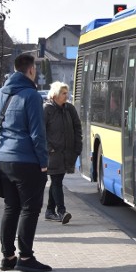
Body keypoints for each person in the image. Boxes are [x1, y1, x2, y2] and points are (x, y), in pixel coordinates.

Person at [0, 54, 51, 272]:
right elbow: (38, 133)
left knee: (11, 208)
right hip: (26, 160)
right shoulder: (31, 95)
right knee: (30, 208)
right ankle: (26, 258)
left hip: (3, 158)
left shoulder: (0, 92)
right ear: (30, 71)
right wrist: (44, 161)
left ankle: (7, 257)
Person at [43, 81, 82, 224]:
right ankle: (61, 211)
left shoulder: (69, 109)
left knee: (56, 181)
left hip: (67, 152)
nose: (67, 96)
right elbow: (40, 131)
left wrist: (78, 146)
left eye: (67, 93)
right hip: (53, 153)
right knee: (56, 181)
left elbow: (77, 128)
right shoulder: (46, 110)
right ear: (54, 95)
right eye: (63, 93)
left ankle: (49, 211)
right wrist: (49, 148)